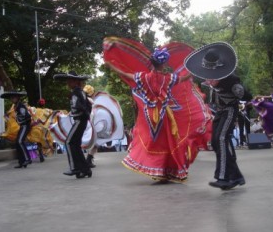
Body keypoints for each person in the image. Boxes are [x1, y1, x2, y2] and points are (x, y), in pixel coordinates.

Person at [105, 47, 197, 182]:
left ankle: (158, 170)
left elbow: (126, 74)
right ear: (164, 64)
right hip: (164, 116)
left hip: (148, 116)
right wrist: (193, 70)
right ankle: (167, 171)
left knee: (152, 142)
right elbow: (183, 79)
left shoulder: (143, 77)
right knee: (167, 143)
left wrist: (112, 66)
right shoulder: (168, 78)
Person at [185, 42, 246, 190]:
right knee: (215, 140)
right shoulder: (211, 77)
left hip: (230, 111)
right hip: (219, 112)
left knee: (221, 138)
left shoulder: (231, 79)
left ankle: (223, 177)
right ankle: (236, 176)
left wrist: (232, 89)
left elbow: (244, 94)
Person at [53, 71, 92, 178]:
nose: (68, 83)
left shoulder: (76, 92)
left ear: (76, 82)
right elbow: (86, 107)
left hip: (80, 120)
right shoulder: (80, 92)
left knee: (69, 142)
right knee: (75, 145)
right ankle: (85, 169)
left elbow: (81, 107)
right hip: (81, 120)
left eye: (70, 80)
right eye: (68, 81)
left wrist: (78, 110)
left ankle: (74, 168)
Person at [0, 91, 32, 168]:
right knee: (17, 143)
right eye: (11, 98)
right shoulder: (16, 106)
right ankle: (21, 162)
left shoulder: (20, 106)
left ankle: (27, 159)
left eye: (13, 98)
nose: (12, 99)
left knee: (20, 142)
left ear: (17, 98)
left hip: (25, 126)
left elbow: (27, 117)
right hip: (22, 126)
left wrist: (19, 119)